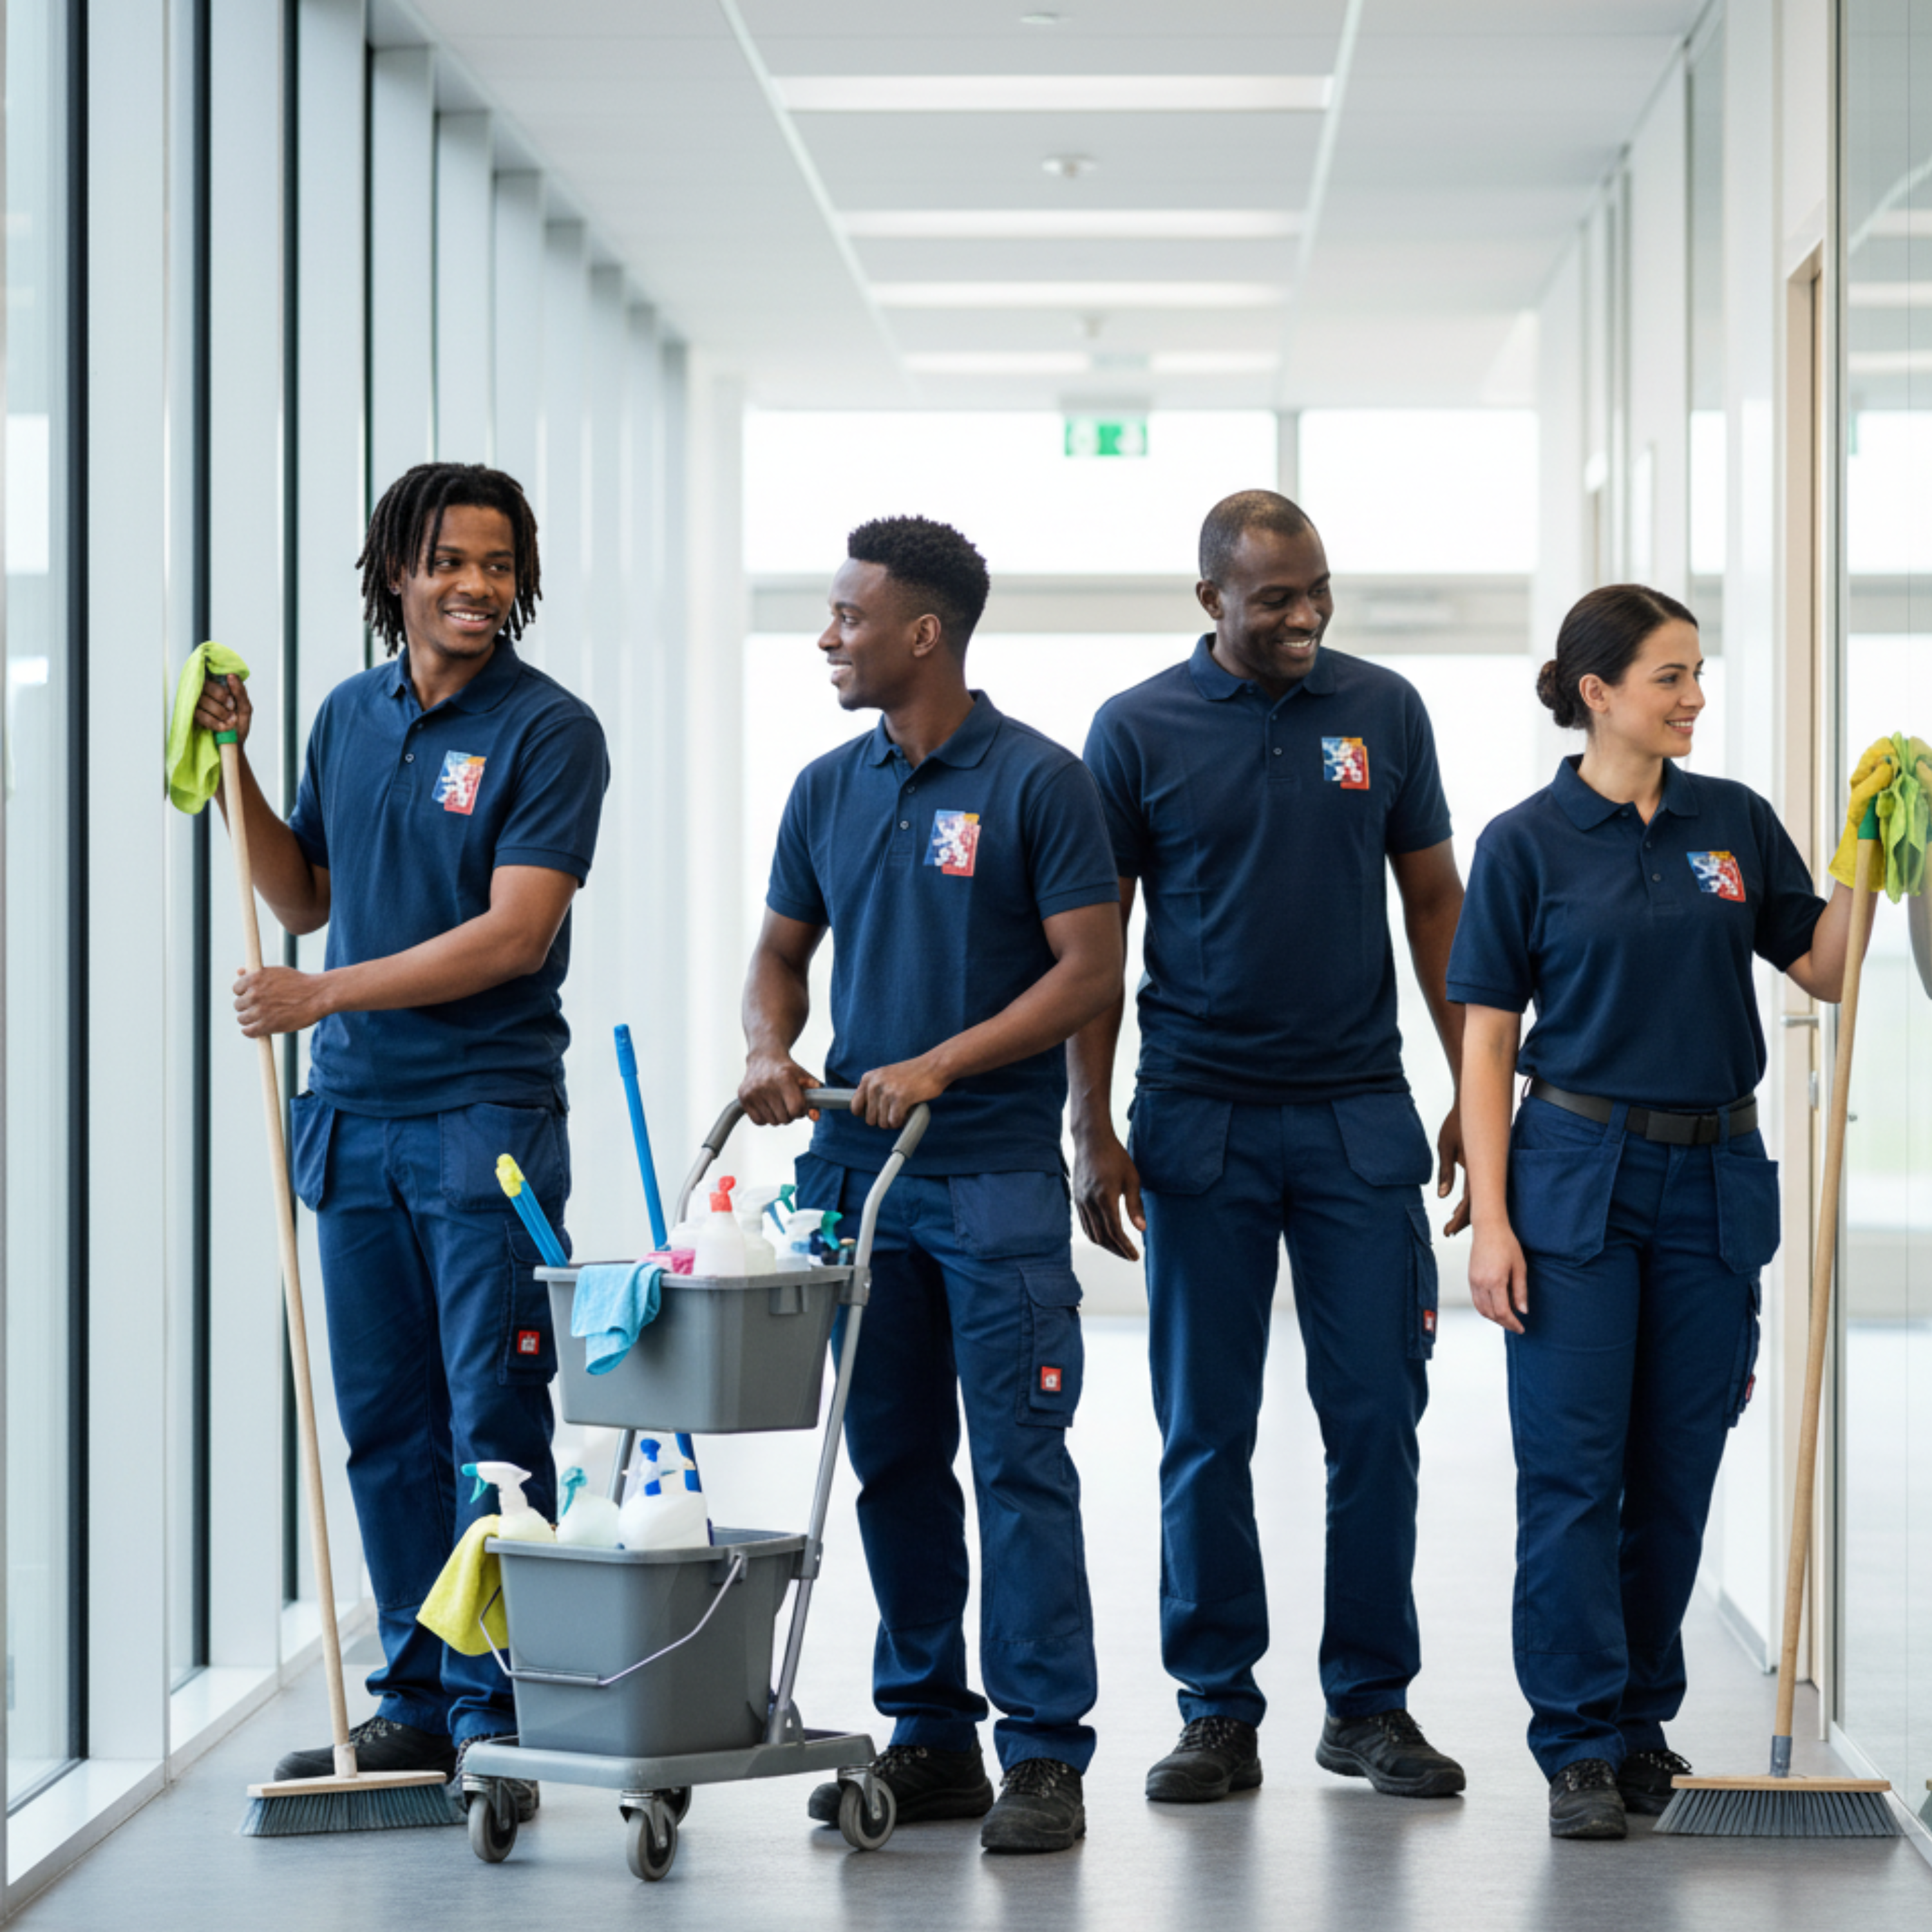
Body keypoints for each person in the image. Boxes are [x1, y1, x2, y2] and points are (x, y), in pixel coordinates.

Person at [1448, 583, 1889, 1840]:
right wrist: (1492, 1218)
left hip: (1712, 1186)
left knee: (1676, 1474)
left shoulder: (1733, 822)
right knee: (1575, 1477)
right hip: (1576, 1180)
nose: (1695, 697)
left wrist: (1873, 845)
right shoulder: (1527, 843)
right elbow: (1488, 1045)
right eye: (1670, 677)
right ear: (1598, 692)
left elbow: (1829, 965)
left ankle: (1642, 1722)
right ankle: (1579, 1743)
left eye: (1697, 674)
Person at [196, 462, 609, 1798]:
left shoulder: (550, 732)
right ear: (397, 575)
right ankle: (415, 1705)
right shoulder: (348, 716)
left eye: (498, 566)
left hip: (483, 1118)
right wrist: (239, 764)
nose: (477, 588)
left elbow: (514, 933)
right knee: (385, 1423)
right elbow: (303, 893)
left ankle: (503, 1702)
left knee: (494, 1419)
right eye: (450, 563)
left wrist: (320, 997)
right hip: (355, 1119)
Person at [1074, 489, 1470, 1806]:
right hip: (1200, 1116)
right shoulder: (1135, 730)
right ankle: (1216, 1711)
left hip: (1359, 1112)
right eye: (1273, 600)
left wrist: (1478, 1084)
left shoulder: (1385, 711)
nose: (1304, 617)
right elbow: (1097, 945)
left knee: (1376, 1421)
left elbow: (1431, 900)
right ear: (1211, 602)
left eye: (1317, 592)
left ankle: (1368, 1705)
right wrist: (1094, 1122)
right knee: (1205, 1429)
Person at [737, 515, 1124, 1855]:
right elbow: (780, 950)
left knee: (1023, 1465)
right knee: (892, 1461)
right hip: (859, 1181)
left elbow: (1088, 971)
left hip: (991, 1184)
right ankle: (932, 1735)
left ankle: (1046, 1755)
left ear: (925, 633)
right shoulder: (826, 787)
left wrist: (944, 1062)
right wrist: (769, 1048)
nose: (828, 636)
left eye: (848, 615)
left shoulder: (1040, 783)